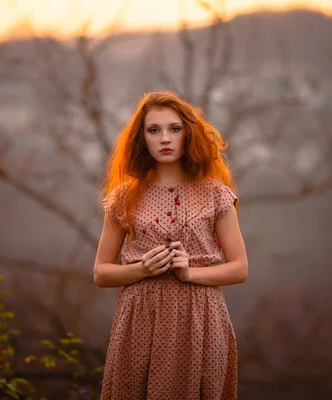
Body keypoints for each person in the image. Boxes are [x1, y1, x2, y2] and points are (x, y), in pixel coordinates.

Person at [94, 90, 248, 400]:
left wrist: (191, 273)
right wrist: (142, 269)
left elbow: (240, 268)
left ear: (187, 134)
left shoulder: (216, 195)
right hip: (139, 319)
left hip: (200, 319)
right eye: (154, 130)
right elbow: (101, 273)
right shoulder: (123, 198)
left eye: (174, 129)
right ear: (143, 139)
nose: (165, 138)